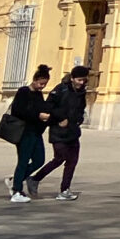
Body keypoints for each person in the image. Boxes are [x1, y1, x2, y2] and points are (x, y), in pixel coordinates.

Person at [6, 65, 54, 204]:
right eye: (41, 83)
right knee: (23, 160)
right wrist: (37, 115)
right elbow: (19, 110)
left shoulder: (39, 94)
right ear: (34, 80)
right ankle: (17, 190)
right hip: (23, 132)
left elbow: (43, 108)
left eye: (45, 84)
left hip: (36, 132)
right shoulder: (23, 92)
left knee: (40, 159)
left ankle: (15, 180)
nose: (42, 87)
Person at [40, 64, 88, 201]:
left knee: (72, 161)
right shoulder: (60, 90)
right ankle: (35, 178)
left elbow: (80, 109)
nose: (82, 83)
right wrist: (60, 118)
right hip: (58, 131)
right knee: (60, 158)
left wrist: (79, 119)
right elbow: (48, 107)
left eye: (84, 80)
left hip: (73, 131)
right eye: (79, 80)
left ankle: (65, 190)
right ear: (72, 78)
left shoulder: (81, 92)